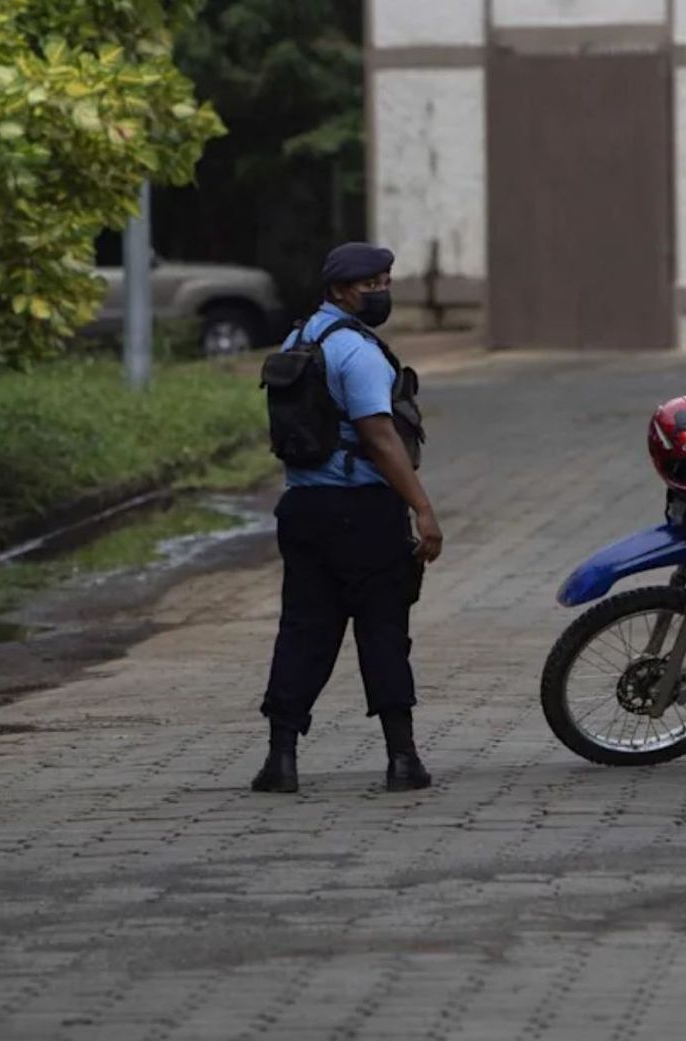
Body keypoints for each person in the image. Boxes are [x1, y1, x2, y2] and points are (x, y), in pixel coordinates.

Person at [253, 242, 443, 794]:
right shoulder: (355, 352)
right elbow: (381, 439)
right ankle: (402, 760)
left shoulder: (298, 339)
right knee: (383, 629)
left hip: (303, 509)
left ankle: (280, 761)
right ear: (340, 290)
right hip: (361, 511)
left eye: (385, 279)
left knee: (303, 631)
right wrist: (423, 509)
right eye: (370, 284)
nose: (381, 291)